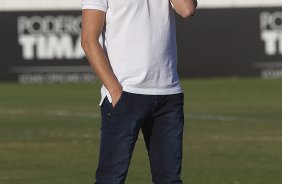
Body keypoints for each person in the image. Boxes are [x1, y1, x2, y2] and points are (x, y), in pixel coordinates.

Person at [81, 0, 197, 183]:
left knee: (170, 180)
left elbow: (187, 9)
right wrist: (115, 90)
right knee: (111, 179)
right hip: (125, 95)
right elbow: (88, 40)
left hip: (168, 94)